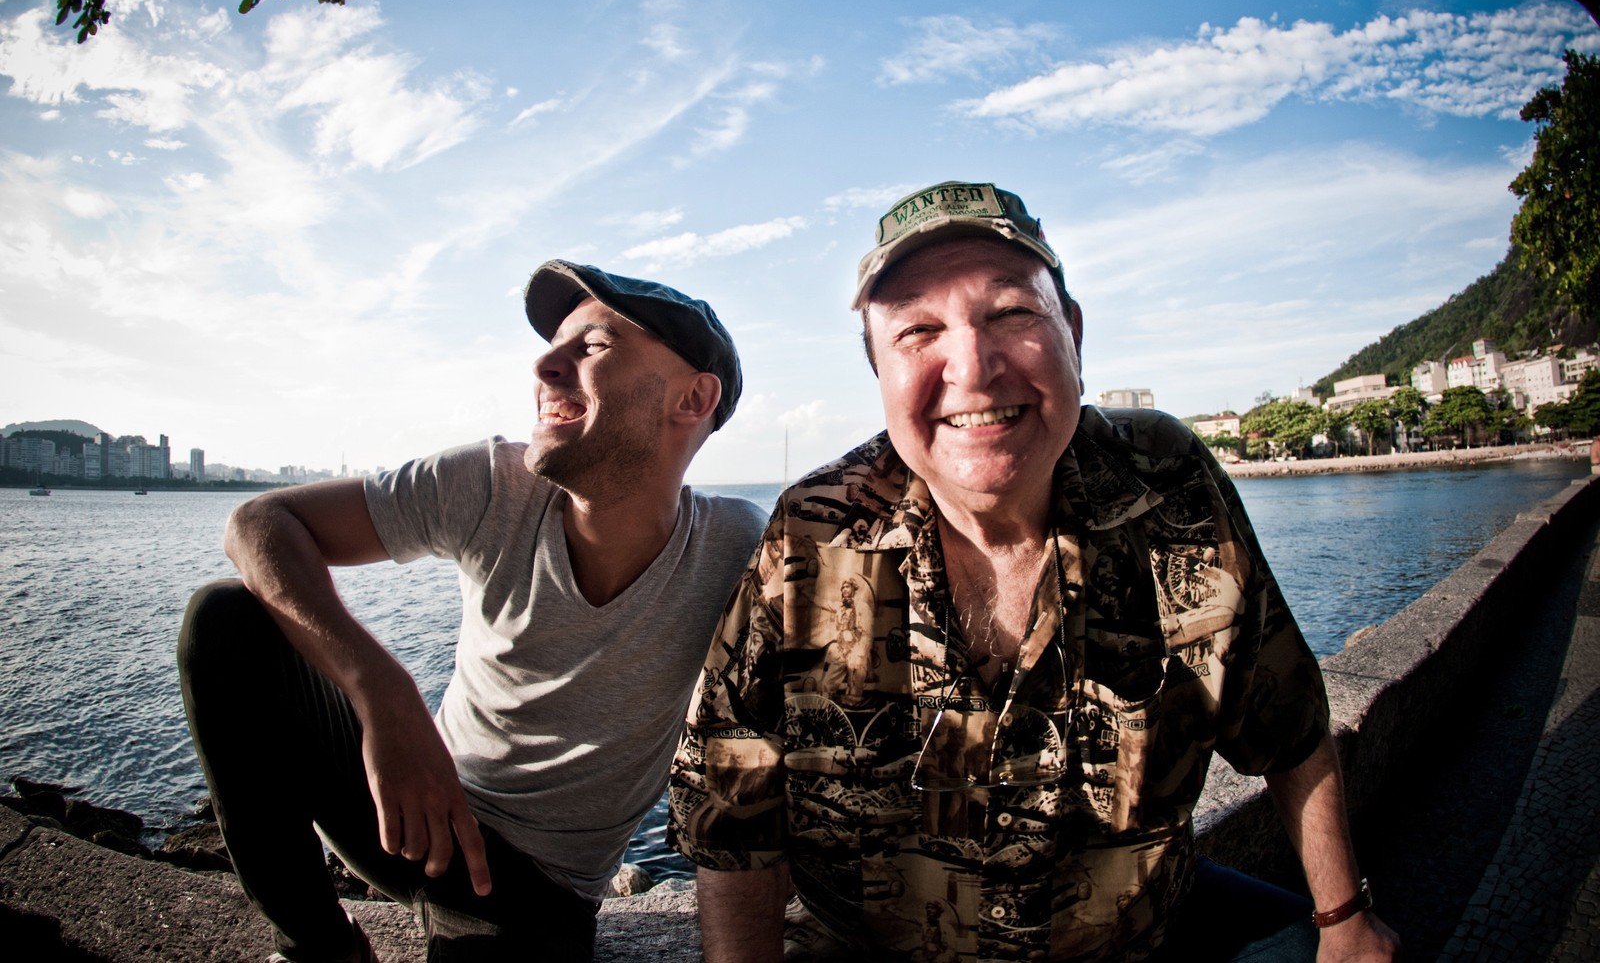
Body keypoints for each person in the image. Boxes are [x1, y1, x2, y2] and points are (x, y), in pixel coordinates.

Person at [668, 182, 1402, 962]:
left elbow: (1285, 723)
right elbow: (733, 816)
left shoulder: (1166, 483)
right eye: (919, 330)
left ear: (1073, 334)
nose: (974, 369)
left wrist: (1344, 916)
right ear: (877, 370)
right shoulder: (812, 532)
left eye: (1012, 313)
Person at [179, 261, 767, 963]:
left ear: (694, 397)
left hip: (537, 887)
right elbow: (258, 521)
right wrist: (382, 692)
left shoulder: (737, 547)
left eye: (594, 346)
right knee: (224, 620)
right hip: (412, 807)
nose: (546, 363)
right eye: (555, 344)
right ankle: (321, 948)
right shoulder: (493, 484)